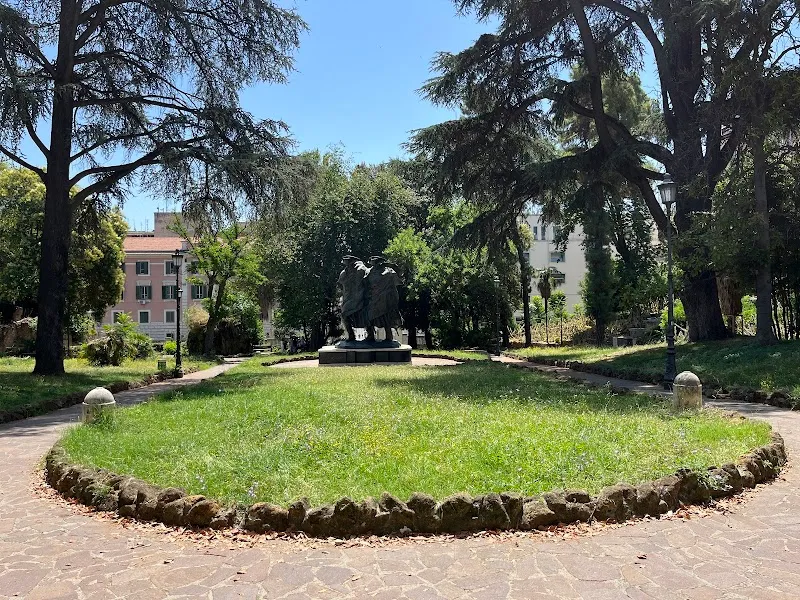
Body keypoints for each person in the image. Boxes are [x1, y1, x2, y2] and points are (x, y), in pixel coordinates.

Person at [366, 256, 402, 341]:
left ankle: (389, 335)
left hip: (385, 299)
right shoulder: (369, 272)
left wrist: (392, 266)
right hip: (373, 298)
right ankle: (370, 334)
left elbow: (397, 282)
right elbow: (365, 283)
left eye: (375, 263)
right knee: (368, 316)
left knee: (386, 317)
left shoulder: (389, 271)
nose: (374, 265)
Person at [337, 256, 370, 342]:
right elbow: (340, 285)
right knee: (345, 314)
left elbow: (367, 281)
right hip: (348, 297)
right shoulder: (344, 273)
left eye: (348, 263)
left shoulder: (361, 270)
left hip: (360, 296)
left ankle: (370, 334)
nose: (347, 265)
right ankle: (351, 335)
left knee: (365, 315)